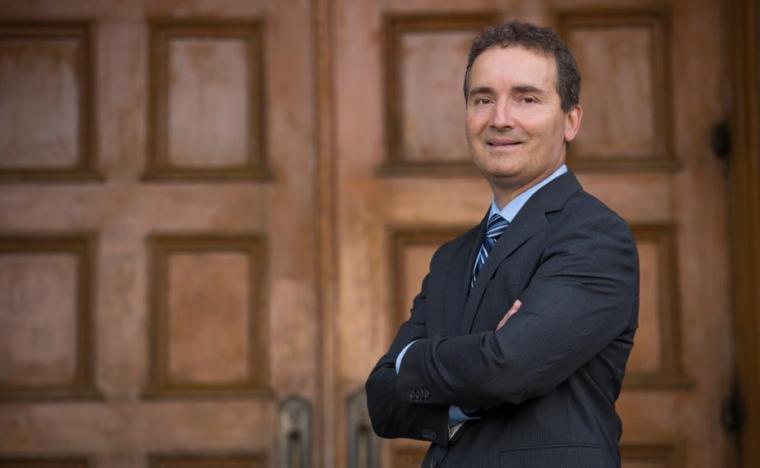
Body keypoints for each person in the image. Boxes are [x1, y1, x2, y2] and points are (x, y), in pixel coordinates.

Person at [365, 20, 639, 467]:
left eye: (526, 99)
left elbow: (509, 366)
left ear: (571, 120)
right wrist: (478, 372)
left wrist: (414, 359)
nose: (500, 118)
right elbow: (382, 400)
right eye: (483, 99)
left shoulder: (595, 237)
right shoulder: (452, 258)